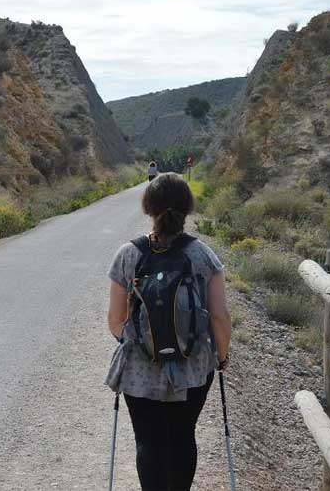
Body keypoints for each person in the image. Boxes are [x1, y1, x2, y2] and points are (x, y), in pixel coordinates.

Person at [105, 173, 231, 491]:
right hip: (193, 368)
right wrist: (222, 356)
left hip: (140, 368)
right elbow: (219, 317)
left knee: (148, 440)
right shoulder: (203, 256)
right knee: (182, 438)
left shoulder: (128, 255)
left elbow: (116, 318)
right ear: (187, 208)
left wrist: (138, 343)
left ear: (148, 207)